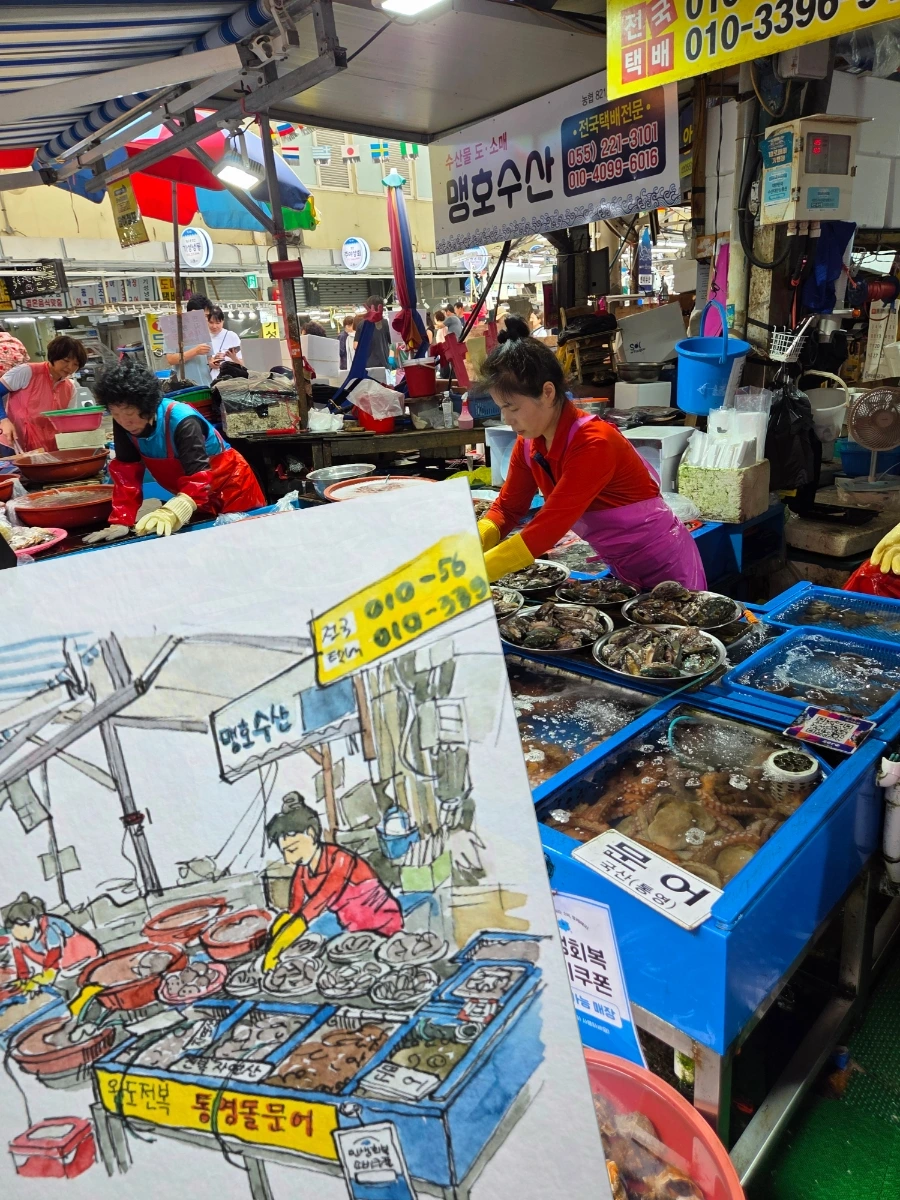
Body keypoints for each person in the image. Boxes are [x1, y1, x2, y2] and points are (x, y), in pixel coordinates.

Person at [476, 338, 706, 590]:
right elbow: (508, 509)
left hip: (665, 563)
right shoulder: (528, 443)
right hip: (620, 565)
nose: (507, 419)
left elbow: (550, 526)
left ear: (548, 392)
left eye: (512, 408)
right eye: (501, 408)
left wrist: (477, 572)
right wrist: (475, 540)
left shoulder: (593, 443)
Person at [84, 361, 265, 543]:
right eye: (115, 414)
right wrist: (121, 520)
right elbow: (126, 475)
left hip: (233, 488)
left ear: (148, 405)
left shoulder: (183, 420)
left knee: (243, 542)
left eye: (130, 413)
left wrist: (173, 511)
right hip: (196, 497)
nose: (124, 422)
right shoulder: (123, 424)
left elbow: (199, 478)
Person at [262, 793, 402, 969]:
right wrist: (271, 943)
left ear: (311, 833)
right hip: (354, 934)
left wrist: (275, 951)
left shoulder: (340, 860)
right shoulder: (302, 871)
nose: (288, 859)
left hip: (385, 928)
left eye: (292, 849)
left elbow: (312, 909)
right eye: (284, 852)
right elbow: (293, 911)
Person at [0, 334, 86, 452]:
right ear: (54, 356)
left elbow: (67, 420)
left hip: (47, 447)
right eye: (66, 361)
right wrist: (3, 420)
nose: (70, 367)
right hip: (14, 442)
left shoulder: (70, 387)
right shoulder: (27, 372)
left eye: (76, 364)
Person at [3, 892, 101, 992]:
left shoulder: (50, 927)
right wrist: (23, 978)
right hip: (62, 968)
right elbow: (19, 959)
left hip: (83, 958)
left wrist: (47, 975)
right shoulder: (17, 936)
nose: (21, 938)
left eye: (25, 931)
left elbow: (55, 954)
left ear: (34, 923)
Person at [165, 295, 212, 386]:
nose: (205, 319)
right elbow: (171, 359)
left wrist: (214, 362)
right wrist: (195, 351)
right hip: (185, 387)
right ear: (191, 312)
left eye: (207, 316)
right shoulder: (172, 329)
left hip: (206, 384)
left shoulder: (204, 330)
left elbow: (209, 358)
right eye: (202, 316)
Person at [353, 296, 392, 370]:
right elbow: (391, 341)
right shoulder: (385, 323)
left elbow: (355, 346)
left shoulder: (361, 324)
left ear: (368, 307)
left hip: (367, 364)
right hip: (384, 363)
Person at [207, 306, 241, 382]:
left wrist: (233, 357)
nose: (214, 326)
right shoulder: (203, 337)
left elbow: (243, 364)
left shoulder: (232, 336)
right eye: (211, 322)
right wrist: (210, 363)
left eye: (218, 323)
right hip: (209, 381)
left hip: (230, 381)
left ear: (223, 321)